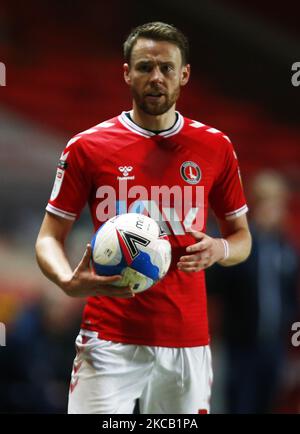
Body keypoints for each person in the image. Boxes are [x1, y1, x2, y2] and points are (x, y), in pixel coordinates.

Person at [35, 22, 252, 414]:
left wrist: (219, 248)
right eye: (145, 67)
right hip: (107, 340)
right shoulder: (87, 147)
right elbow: (49, 236)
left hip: (187, 344)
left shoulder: (215, 147)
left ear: (184, 75)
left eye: (166, 68)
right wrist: (67, 280)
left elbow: (242, 238)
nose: (156, 77)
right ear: (126, 73)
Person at [207, 170, 299, 413]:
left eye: (278, 202)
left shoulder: (285, 247)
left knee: (267, 404)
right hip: (240, 345)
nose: (274, 209)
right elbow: (217, 284)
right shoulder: (242, 245)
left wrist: (290, 339)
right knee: (240, 405)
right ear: (255, 204)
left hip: (274, 346)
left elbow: (290, 296)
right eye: (268, 201)